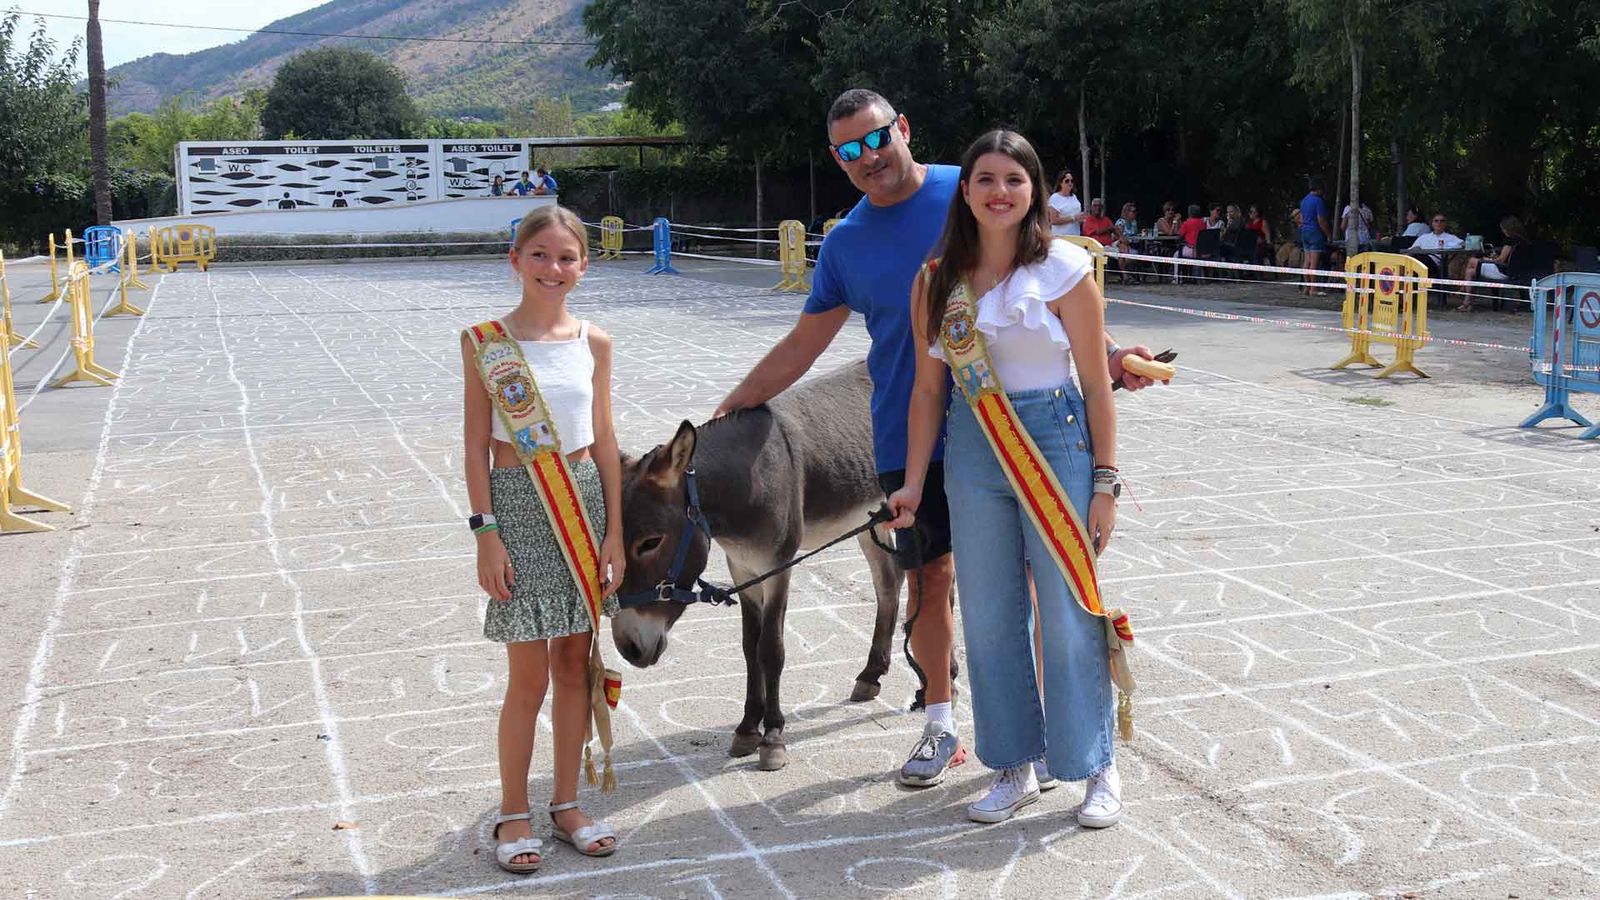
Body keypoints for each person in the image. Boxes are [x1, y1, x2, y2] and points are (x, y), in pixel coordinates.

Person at [714, 89, 1157, 795]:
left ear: (904, 129)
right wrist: (735, 403)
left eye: (877, 138)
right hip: (908, 430)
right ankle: (941, 720)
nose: (869, 157)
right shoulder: (848, 242)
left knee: (1048, 594)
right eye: (850, 150)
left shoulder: (978, 184)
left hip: (1015, 423)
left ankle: (1055, 744)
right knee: (937, 584)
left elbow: (1044, 278)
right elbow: (806, 341)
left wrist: (1104, 356)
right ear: (837, 160)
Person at [886, 129, 1127, 828]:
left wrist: (1105, 483)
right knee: (990, 615)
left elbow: (1097, 385)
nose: (1000, 192)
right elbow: (928, 393)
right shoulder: (937, 282)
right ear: (965, 191)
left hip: (1056, 440)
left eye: (1015, 181)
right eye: (985, 179)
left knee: (1068, 610)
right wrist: (911, 481)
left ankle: (1094, 766)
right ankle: (1015, 765)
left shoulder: (1065, 270)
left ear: (1038, 193)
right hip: (973, 449)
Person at [462, 205, 626, 873]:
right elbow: (475, 447)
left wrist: (615, 533)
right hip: (518, 509)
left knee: (573, 667)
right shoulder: (485, 342)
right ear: (516, 260)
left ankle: (565, 805)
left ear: (583, 266)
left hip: (583, 506)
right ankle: (511, 813)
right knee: (527, 677)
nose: (553, 268)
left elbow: (607, 441)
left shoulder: (596, 342)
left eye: (566, 257)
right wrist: (486, 535)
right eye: (540, 255)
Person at [1462, 215, 1526, 311]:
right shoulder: (1523, 241)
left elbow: (1501, 260)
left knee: (1472, 261)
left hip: (1504, 271)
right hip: (1516, 271)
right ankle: (1467, 300)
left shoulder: (1510, 241)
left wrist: (1486, 259)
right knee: (1470, 272)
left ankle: (1466, 297)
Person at [1407, 212, 1464, 279]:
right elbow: (1411, 250)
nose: (1439, 223)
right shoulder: (1424, 237)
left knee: (1421, 257)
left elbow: (1462, 244)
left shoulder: (1450, 238)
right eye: (1436, 221)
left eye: (1442, 221)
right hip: (1419, 263)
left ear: (1445, 224)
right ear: (1432, 223)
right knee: (1416, 256)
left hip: (1436, 266)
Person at [1299, 178, 1331, 296]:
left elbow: (1301, 219)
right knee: (1314, 262)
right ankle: (1313, 288)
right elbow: (1321, 220)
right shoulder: (1318, 201)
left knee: (1306, 261)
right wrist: (1328, 235)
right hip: (1315, 232)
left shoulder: (1303, 201)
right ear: (1319, 189)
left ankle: (1306, 287)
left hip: (1304, 231)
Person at [1048, 169, 1083, 237]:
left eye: (1071, 181)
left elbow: (1077, 217)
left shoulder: (1074, 197)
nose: (1070, 183)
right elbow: (1054, 220)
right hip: (1061, 238)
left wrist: (1081, 219)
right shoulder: (1055, 198)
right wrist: (1073, 218)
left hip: (1076, 236)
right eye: (1067, 181)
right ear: (1061, 183)